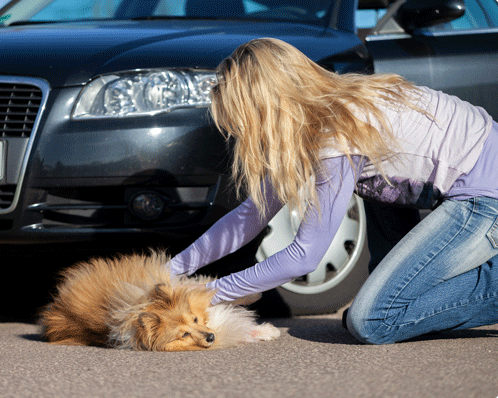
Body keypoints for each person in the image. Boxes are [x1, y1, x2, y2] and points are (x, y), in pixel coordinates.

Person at [169, 38, 498, 345]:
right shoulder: (323, 112)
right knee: (379, 301)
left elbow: (304, 257)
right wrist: (172, 269)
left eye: (243, 121)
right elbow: (251, 215)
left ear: (266, 108)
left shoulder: (334, 134)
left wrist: (208, 293)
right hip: (467, 182)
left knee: (373, 321)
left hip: (485, 197)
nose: (242, 133)